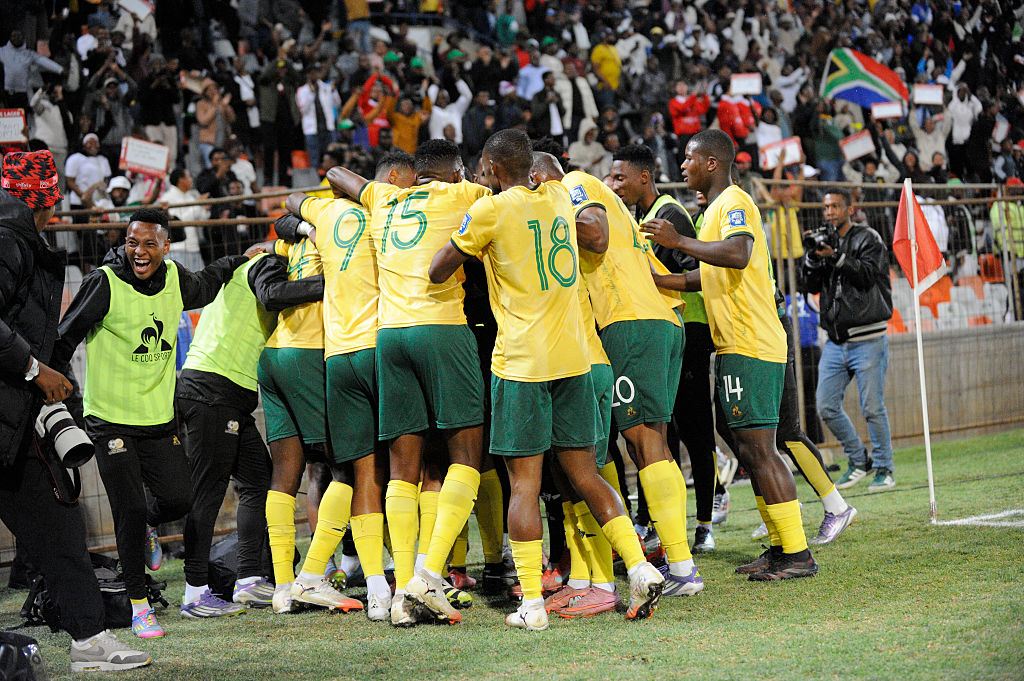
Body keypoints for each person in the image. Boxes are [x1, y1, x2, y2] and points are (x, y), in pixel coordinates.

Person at [429, 129, 664, 630]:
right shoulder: (559, 194)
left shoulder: (492, 210)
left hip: (521, 364)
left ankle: (532, 603)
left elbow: (438, 268)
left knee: (525, 484)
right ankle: (640, 567)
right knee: (586, 473)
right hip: (575, 359)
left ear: (490, 172)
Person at [51, 208, 252, 639]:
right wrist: (55, 392)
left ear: (165, 246)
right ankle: (140, 606)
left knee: (179, 499)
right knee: (129, 508)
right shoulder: (103, 283)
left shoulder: (177, 279)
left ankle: (145, 528)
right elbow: (64, 338)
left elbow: (208, 281)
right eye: (131, 243)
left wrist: (239, 259)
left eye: (148, 244)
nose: (138, 252)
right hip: (110, 422)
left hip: (159, 420)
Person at [641, 129, 817, 580]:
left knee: (760, 446)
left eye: (688, 158)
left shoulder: (734, 202)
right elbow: (708, 276)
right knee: (742, 441)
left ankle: (796, 553)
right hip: (736, 342)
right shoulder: (715, 210)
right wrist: (659, 280)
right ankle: (780, 546)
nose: (682, 166)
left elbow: (738, 254)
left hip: (752, 341)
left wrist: (678, 243)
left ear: (713, 163)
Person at [327, 139, 489, 626]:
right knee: (467, 455)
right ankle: (428, 575)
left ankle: (400, 592)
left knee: (403, 466)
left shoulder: (385, 197)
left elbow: (337, 173)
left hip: (390, 337)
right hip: (441, 329)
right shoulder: (465, 197)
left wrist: (373, 188)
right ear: (456, 171)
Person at [0, 151, 151, 672]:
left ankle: (89, 639)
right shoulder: (5, 240)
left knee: (60, 524)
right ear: (46, 198)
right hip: (7, 407)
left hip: (14, 422)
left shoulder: (23, 242)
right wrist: (32, 369)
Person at [553, 142, 702, 598]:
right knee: (650, 440)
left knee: (643, 442)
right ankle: (674, 558)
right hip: (655, 319)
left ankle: (681, 567)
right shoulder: (612, 202)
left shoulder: (574, 185)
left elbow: (593, 236)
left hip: (630, 322)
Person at [276, 151, 417, 622]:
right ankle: (410, 579)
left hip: (337, 357)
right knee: (401, 469)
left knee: (353, 472)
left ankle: (371, 585)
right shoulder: (392, 209)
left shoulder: (329, 210)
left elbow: (292, 201)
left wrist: (304, 227)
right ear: (387, 180)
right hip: (381, 348)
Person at [177, 247, 325, 619]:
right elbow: (273, 294)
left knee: (258, 479)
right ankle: (194, 594)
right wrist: (331, 282)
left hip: (229, 394)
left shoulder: (247, 269)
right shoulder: (267, 263)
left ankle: (248, 579)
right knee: (208, 494)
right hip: (212, 390)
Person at [608, 144, 719, 552]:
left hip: (686, 329)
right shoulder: (639, 216)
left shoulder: (669, 214)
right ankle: (659, 523)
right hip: (665, 329)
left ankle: (705, 522)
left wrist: (649, 281)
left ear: (643, 177)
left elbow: (698, 274)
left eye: (620, 178)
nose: (615, 185)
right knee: (664, 431)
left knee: (693, 428)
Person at [800, 188, 896, 492]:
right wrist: (813, 259)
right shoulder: (825, 241)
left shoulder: (868, 237)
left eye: (835, 206)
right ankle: (859, 461)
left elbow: (868, 275)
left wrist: (837, 257)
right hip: (836, 340)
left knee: (872, 408)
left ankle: (885, 468)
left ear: (849, 209)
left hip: (868, 338)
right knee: (826, 404)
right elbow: (809, 284)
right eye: (826, 207)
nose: (829, 212)